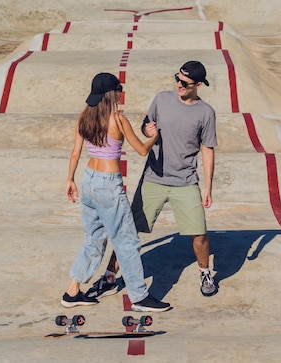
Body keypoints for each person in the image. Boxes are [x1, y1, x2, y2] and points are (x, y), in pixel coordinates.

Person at [86, 61, 218, 298]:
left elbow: (207, 149)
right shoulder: (161, 98)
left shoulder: (205, 113)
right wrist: (147, 130)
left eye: (185, 83)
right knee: (129, 231)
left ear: (198, 85)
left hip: (185, 181)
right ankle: (109, 276)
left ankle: (205, 272)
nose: (179, 84)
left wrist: (208, 187)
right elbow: (146, 126)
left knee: (199, 233)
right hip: (153, 179)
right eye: (177, 78)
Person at [61, 72, 171, 312]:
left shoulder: (84, 117)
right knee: (127, 242)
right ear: (113, 94)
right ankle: (140, 297)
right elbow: (142, 150)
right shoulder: (118, 120)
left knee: (94, 239)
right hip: (108, 185)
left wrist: (70, 180)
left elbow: (75, 152)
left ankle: (72, 292)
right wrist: (154, 137)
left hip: (88, 181)